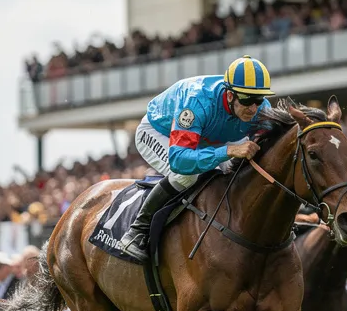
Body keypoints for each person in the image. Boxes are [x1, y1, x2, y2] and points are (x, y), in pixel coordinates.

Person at [116, 55, 273, 261]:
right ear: (229, 95)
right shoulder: (196, 101)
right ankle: (137, 231)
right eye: (246, 100)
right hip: (159, 133)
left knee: (239, 168)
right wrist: (227, 152)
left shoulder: (261, 108)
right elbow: (180, 160)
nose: (253, 108)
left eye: (258, 99)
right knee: (187, 176)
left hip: (208, 137)